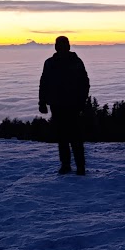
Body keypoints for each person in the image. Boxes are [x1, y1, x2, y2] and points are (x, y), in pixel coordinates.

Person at [38, 35, 91, 175]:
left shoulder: (72, 62)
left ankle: (77, 166)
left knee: (72, 137)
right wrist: (42, 102)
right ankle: (69, 165)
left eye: (62, 45)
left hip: (70, 105)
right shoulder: (53, 63)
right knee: (65, 137)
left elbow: (84, 83)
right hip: (60, 105)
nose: (61, 48)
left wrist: (81, 101)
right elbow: (44, 83)